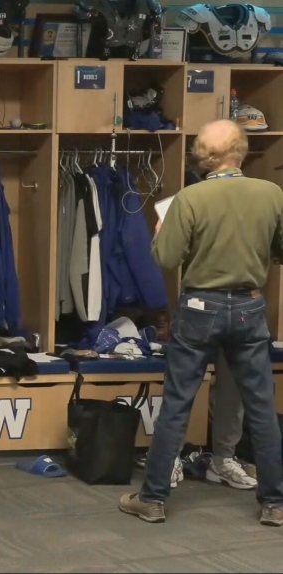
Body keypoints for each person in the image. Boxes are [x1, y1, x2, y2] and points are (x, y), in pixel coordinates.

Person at [119, 119, 283, 526]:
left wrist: (162, 231)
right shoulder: (272, 194)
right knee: (261, 408)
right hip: (249, 306)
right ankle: (276, 504)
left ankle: (153, 499)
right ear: (241, 150)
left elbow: (165, 258)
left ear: (203, 158)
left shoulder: (190, 198)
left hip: (198, 309)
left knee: (177, 404)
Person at [207, 352, 258, 490]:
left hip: (233, 333)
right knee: (180, 390)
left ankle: (222, 461)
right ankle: (167, 461)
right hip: (191, 332)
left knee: (233, 388)